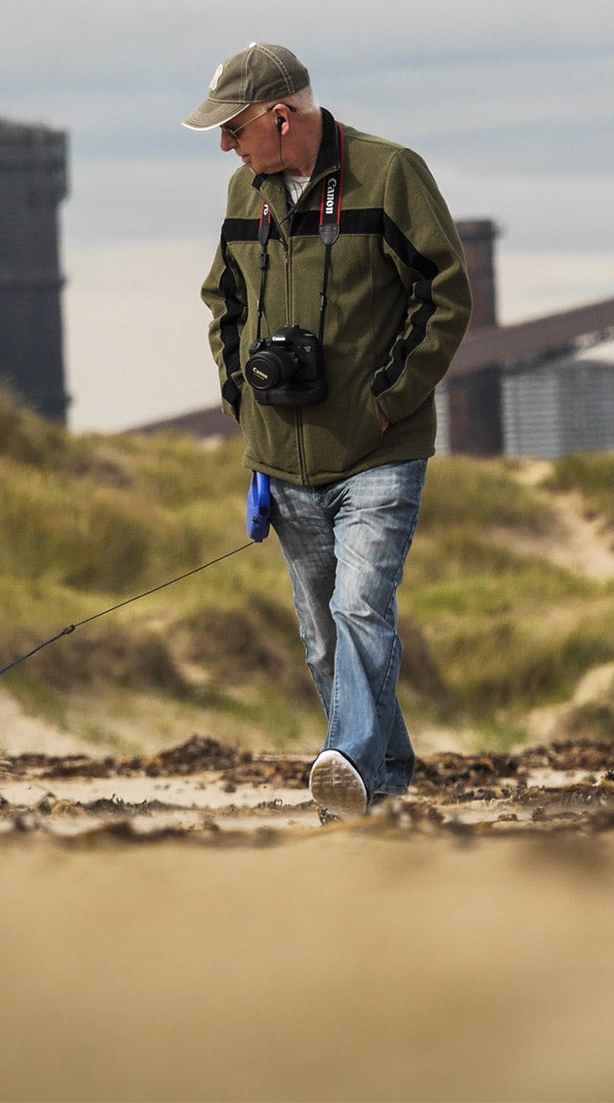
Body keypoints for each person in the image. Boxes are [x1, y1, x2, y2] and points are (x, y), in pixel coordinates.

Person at [186, 43, 469, 820]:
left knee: (361, 611)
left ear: (281, 116)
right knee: (321, 641)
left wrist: (392, 397)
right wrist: (244, 408)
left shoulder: (391, 174)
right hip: (283, 460)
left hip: (380, 449)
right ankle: (384, 780)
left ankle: (345, 765)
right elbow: (224, 304)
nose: (226, 145)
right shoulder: (246, 196)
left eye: (235, 127)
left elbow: (445, 295)